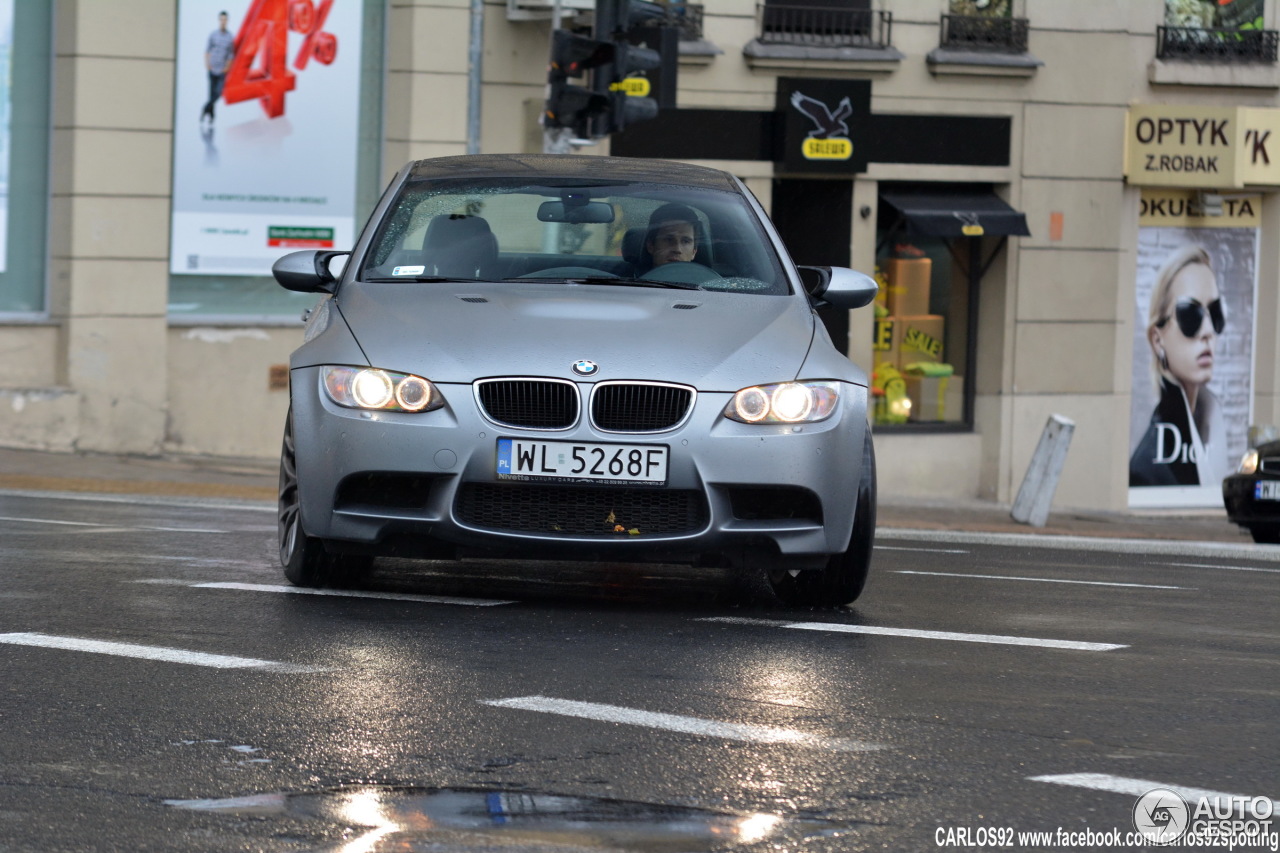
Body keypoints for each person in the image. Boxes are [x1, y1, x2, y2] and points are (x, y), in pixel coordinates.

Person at [1129, 244, 1229, 487]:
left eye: (1214, 312)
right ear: (1157, 338)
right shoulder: (1146, 471)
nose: (1207, 331)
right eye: (1190, 314)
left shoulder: (1212, 426)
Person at [201, 11, 235, 125]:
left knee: (218, 93)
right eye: (221, 19)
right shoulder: (213, 35)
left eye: (225, 19)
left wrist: (227, 68)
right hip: (212, 69)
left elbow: (231, 55)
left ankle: (205, 108)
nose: (223, 21)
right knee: (211, 94)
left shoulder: (230, 37)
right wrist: (207, 65)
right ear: (219, 20)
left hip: (221, 71)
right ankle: (211, 117)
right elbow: (207, 51)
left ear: (227, 21)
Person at [644, 204, 701, 268]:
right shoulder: (632, 276)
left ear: (694, 251)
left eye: (685, 241)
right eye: (669, 240)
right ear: (650, 246)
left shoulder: (710, 278)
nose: (677, 249)